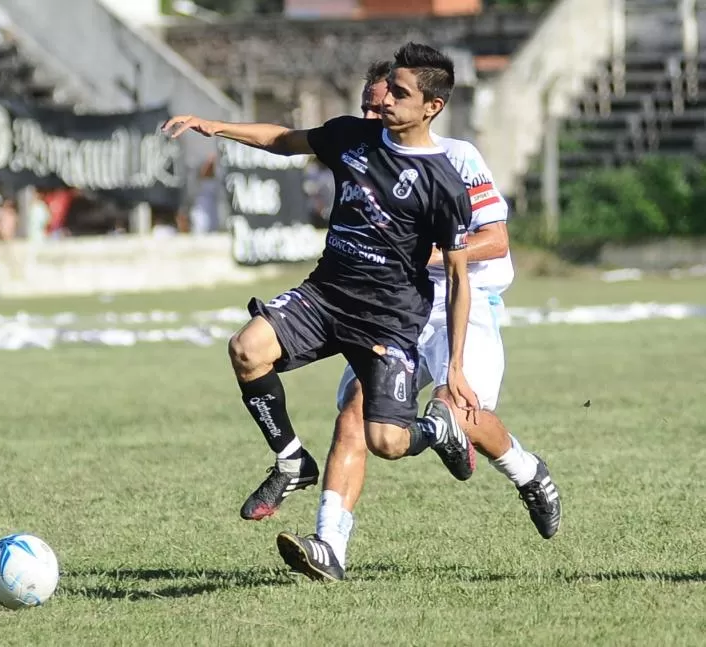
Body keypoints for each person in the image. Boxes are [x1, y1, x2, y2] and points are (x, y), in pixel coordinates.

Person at [163, 42, 479, 544]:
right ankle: (291, 461)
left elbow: (461, 279)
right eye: (384, 93)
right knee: (247, 349)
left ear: (431, 107)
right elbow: (284, 139)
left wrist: (456, 366)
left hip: (388, 320)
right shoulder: (352, 136)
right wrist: (214, 126)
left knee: (387, 442)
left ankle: (436, 430)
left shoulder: (444, 184)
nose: (384, 104)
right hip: (325, 295)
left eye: (398, 94)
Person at [275, 60, 563, 582]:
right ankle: (329, 546)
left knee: (462, 413)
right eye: (365, 104)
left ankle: (528, 472)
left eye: (380, 101)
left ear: (416, 104)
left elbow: (495, 240)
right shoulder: (366, 152)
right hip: (391, 312)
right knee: (354, 418)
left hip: (459, 303)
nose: (370, 112)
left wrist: (424, 255)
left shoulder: (457, 157)